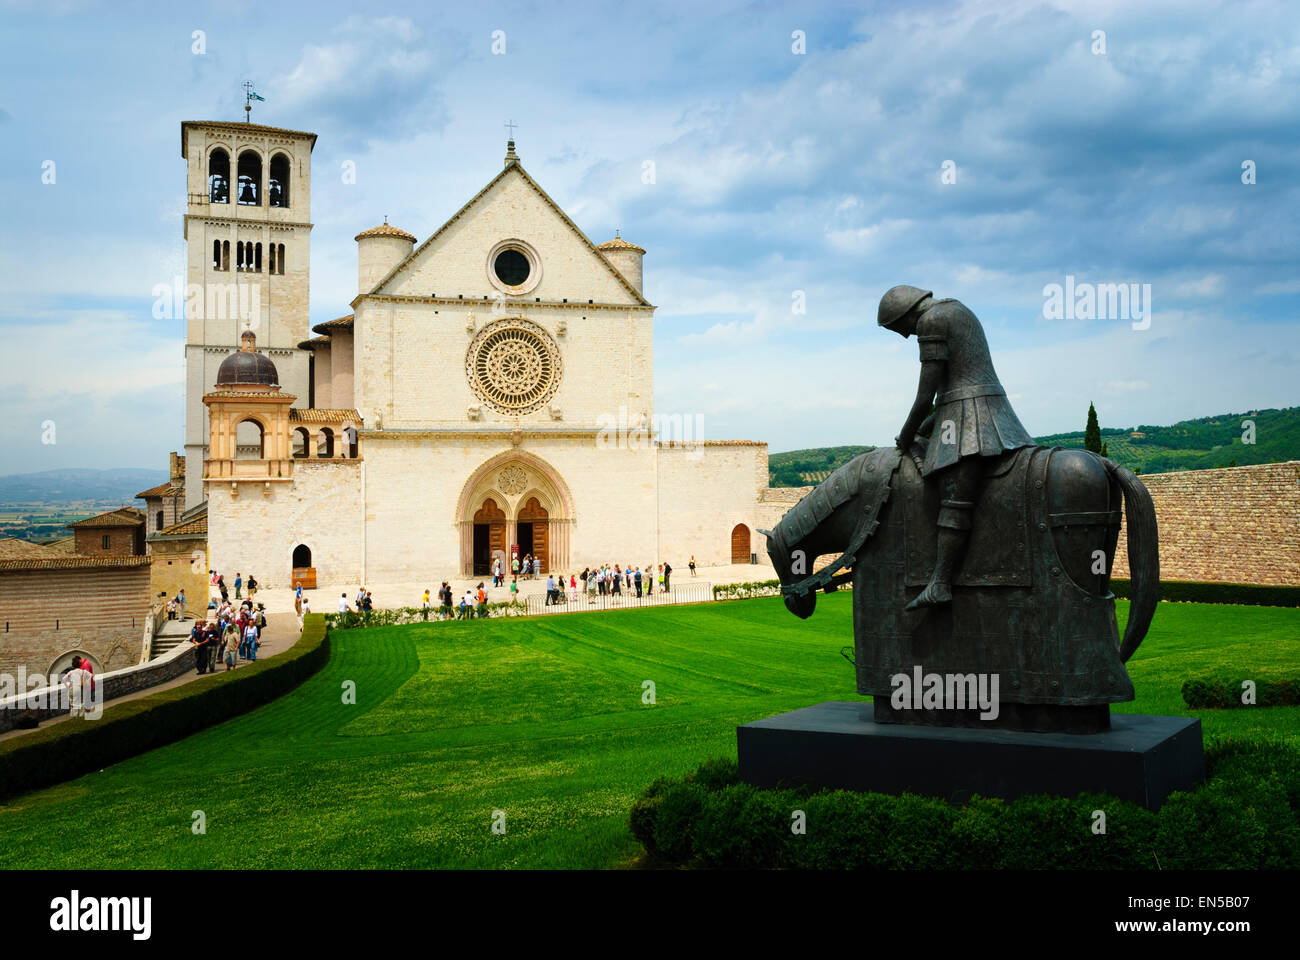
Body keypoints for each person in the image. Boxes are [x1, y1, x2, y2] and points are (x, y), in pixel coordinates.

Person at [877, 285, 1036, 610]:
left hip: (970, 416)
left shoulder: (931, 321)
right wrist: (921, 430)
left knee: (954, 497)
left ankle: (940, 582)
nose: (906, 336)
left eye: (900, 329)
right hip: (979, 409)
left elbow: (926, 395)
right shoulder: (958, 308)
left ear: (907, 314)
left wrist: (906, 434)